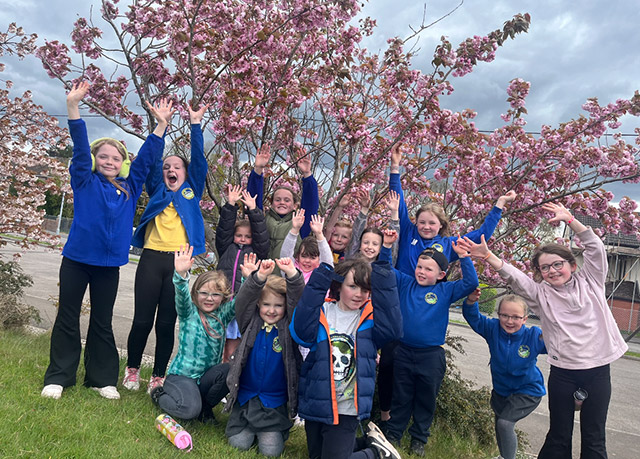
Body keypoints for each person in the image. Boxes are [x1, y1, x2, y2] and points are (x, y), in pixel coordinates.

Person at [457, 202, 629, 459]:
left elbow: (594, 247)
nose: (552, 271)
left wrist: (572, 220)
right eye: (545, 268)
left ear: (572, 264)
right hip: (563, 373)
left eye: (557, 264)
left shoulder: (592, 281)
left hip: (597, 371)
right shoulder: (541, 295)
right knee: (559, 435)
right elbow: (516, 277)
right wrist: (488, 256)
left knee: (593, 436)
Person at [42, 82, 174, 400]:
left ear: (123, 163)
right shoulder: (84, 179)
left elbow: (146, 158)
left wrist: (161, 125)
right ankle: (59, 377)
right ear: (95, 159)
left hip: (109, 267)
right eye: (104, 156)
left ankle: (102, 379)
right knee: (67, 317)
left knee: (102, 321)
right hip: (76, 261)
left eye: (116, 158)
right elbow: (78, 145)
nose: (110, 161)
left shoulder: (129, 187)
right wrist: (73, 107)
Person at [123, 103, 209, 394]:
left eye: (177, 167)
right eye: (167, 167)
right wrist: (161, 126)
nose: (171, 169)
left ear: (185, 173)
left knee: (167, 322)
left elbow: (199, 162)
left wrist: (195, 125)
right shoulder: (157, 189)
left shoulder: (191, 190)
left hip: (179, 263)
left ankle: (158, 375)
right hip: (150, 259)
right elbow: (148, 162)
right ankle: (132, 370)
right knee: (143, 319)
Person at [290, 259, 403, 459]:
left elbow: (393, 330)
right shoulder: (322, 312)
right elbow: (300, 333)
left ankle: (376, 454)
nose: (359, 294)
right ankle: (366, 442)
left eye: (365, 289)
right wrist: (319, 280)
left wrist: (384, 277)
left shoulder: (371, 319)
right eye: (352, 286)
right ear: (338, 285)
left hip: (347, 407)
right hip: (318, 400)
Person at [380, 233, 478, 456]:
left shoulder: (446, 290)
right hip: (403, 351)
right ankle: (394, 433)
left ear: (441, 274)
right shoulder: (405, 283)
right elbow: (385, 268)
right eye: (420, 267)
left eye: (428, 269)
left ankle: (419, 438)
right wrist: (386, 246)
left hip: (431, 356)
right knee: (401, 395)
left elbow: (471, 282)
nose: (422, 272)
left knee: (426, 399)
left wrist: (463, 256)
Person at [389, 142, 515, 275]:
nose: (426, 226)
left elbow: (481, 235)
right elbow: (396, 199)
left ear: (441, 225)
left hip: (426, 295)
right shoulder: (409, 231)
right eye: (422, 222)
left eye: (432, 223)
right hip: (399, 290)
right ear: (416, 223)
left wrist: (500, 204)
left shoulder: (448, 245)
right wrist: (395, 166)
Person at [221, 257, 305, 456]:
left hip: (273, 402)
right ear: (258, 304)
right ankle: (249, 425)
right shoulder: (250, 323)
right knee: (238, 444)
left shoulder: (289, 328)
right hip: (247, 398)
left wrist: (292, 274)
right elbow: (243, 300)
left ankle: (271, 429)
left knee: (271, 452)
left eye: (278, 305)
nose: (271, 310)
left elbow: (298, 300)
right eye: (266, 304)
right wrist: (259, 277)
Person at [149, 245, 236, 421]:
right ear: (195, 295)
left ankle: (205, 407)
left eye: (215, 294)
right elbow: (181, 295)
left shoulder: (223, 315)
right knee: (188, 411)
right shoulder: (188, 312)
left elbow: (243, 301)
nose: (209, 298)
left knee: (229, 370)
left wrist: (254, 279)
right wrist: (181, 275)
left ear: (223, 297)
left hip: (205, 379)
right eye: (204, 293)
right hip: (182, 376)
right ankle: (160, 396)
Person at [462, 290, 546, 459]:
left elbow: (557, 345)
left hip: (528, 391)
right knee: (500, 426)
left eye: (515, 317)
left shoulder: (533, 336)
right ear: (498, 315)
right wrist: (470, 302)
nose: (509, 321)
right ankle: (503, 456)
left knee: (505, 423)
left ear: (524, 318)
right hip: (501, 391)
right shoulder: (492, 328)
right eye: (504, 315)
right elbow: (474, 318)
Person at [215, 185, 269, 362]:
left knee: (234, 343)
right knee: (218, 340)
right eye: (239, 235)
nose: (243, 239)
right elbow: (223, 229)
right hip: (223, 302)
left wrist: (253, 210)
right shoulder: (226, 248)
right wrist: (230, 205)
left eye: (247, 236)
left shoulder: (256, 251)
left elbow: (261, 235)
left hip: (240, 304)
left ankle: (229, 373)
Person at [246, 144, 319, 264]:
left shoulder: (299, 223)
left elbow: (311, 204)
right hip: (263, 277)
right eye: (278, 199)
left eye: (287, 200)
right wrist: (258, 169)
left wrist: (307, 174)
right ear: (272, 203)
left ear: (295, 205)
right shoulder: (263, 220)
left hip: (287, 278)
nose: (282, 203)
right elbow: (252, 200)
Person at [280, 211, 334, 283]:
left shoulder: (321, 273)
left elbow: (328, 263)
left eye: (312, 258)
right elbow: (285, 255)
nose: (307, 261)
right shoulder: (291, 269)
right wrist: (294, 230)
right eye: (304, 256)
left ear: (319, 259)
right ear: (298, 256)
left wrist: (319, 234)